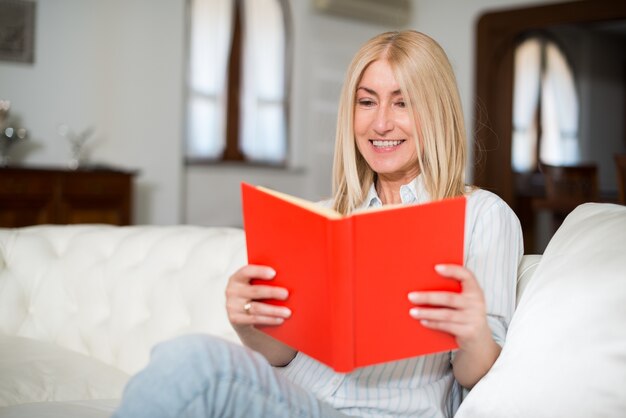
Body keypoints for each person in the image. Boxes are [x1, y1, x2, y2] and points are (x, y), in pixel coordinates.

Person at [113, 30, 523, 418]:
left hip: (386, 412)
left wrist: (472, 333)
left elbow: (478, 375)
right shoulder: (323, 215)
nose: (380, 123)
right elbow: (282, 355)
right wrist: (250, 323)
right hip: (295, 400)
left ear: (437, 111)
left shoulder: (482, 215)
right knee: (178, 359)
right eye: (367, 102)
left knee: (191, 360)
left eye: (402, 102)